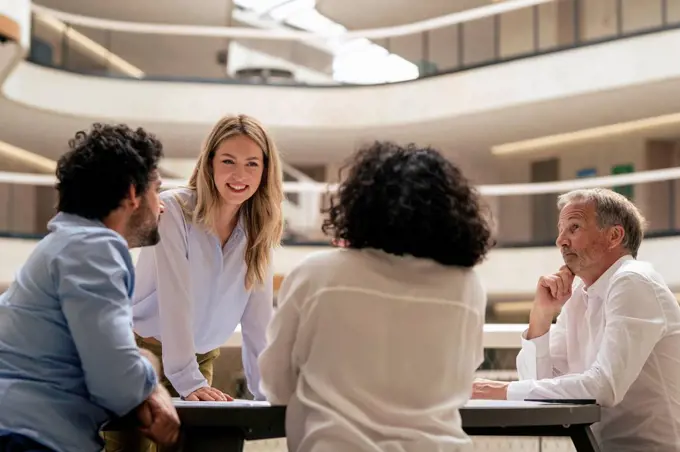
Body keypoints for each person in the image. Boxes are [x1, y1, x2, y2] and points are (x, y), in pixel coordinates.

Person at [258, 141, 494, 452]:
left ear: (360, 203)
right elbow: (463, 380)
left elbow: (277, 384)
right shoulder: (467, 287)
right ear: (453, 210)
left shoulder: (318, 275)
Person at [0, 123, 180, 452]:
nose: (162, 206)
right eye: (157, 190)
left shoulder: (65, 245)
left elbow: (106, 359)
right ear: (131, 193)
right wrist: (151, 370)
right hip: (30, 440)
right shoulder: (94, 249)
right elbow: (119, 385)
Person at [472, 188, 680, 451]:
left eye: (574, 227)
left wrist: (500, 390)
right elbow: (540, 385)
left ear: (614, 236)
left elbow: (604, 387)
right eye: (561, 230)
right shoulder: (581, 293)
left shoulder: (633, 280)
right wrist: (541, 317)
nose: (561, 240)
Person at [130, 114, 284, 402]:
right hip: (142, 355)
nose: (240, 175)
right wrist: (188, 380)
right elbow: (175, 299)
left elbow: (258, 321)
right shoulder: (173, 210)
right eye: (228, 161)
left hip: (199, 361)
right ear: (209, 162)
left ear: (265, 171)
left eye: (252, 164)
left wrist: (269, 392)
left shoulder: (259, 227)